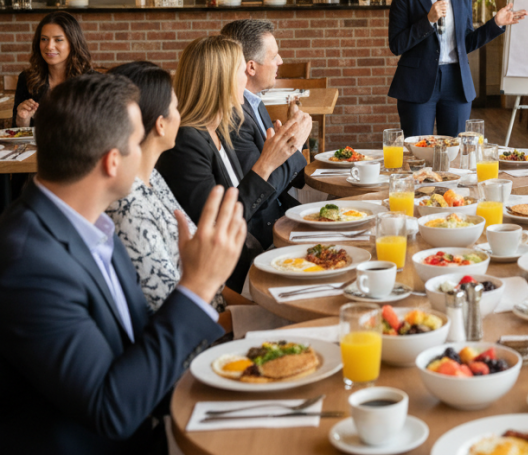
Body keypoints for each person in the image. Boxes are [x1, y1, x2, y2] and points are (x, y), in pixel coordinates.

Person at [0, 72, 245, 454]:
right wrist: (197, 286)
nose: (144, 150)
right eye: (136, 142)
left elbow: (140, 345)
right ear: (113, 162)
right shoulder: (29, 264)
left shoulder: (95, 227)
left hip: (159, 415)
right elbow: (110, 410)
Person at [156, 35, 308, 290]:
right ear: (221, 80)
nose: (245, 79)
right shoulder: (187, 142)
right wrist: (266, 164)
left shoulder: (217, 130)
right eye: (241, 71)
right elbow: (216, 225)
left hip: (250, 254)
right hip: (230, 276)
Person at [104, 61, 227, 315]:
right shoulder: (128, 208)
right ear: (160, 124)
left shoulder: (154, 178)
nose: (180, 116)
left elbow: (210, 287)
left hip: (216, 313)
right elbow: (173, 315)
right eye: (176, 107)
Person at [388, 0, 527, 136]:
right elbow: (397, 45)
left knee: (454, 152)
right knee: (417, 152)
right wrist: (428, 20)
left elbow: (467, 42)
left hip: (456, 82)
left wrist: (495, 23)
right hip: (417, 83)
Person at [220, 19, 311, 215]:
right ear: (251, 67)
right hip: (267, 227)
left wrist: (286, 143)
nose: (281, 61)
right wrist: (295, 145)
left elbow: (285, 178)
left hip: (284, 205)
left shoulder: (255, 102)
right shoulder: (234, 118)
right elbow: (261, 196)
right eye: (274, 56)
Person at [14, 10, 93, 126]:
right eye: (44, 39)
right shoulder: (27, 79)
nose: (49, 46)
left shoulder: (93, 82)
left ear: (73, 43)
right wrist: (22, 119)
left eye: (58, 40)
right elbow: (15, 133)